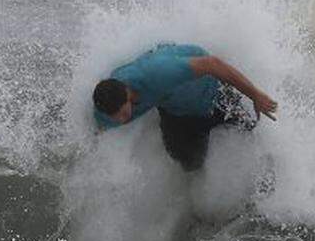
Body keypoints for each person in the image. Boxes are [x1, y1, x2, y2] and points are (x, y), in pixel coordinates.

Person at [91, 43, 279, 171]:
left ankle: (270, 178)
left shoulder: (159, 74)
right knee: (189, 164)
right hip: (177, 112)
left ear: (127, 93)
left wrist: (255, 95)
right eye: (116, 118)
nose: (122, 121)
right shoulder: (106, 107)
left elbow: (213, 64)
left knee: (251, 135)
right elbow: (99, 130)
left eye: (124, 114)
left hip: (212, 94)